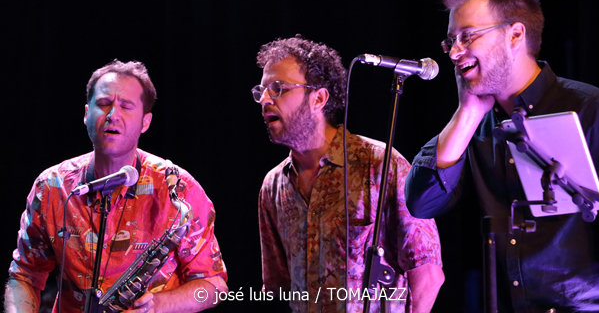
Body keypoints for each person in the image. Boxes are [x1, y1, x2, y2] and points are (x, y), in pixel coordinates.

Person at [405, 0, 599, 312]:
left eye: (468, 36)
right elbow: (421, 203)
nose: (454, 53)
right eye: (450, 41)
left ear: (515, 34)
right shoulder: (475, 124)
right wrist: (466, 113)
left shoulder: (588, 108)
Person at [5, 60, 227, 313]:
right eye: (103, 104)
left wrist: (159, 304)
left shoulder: (179, 188)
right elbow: (24, 275)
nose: (112, 115)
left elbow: (214, 286)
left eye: (126, 106)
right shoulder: (52, 186)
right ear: (86, 114)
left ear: (145, 122)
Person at [253, 35, 444, 313]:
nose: (264, 99)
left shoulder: (380, 164)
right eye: (261, 91)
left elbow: (428, 276)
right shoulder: (273, 186)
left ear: (318, 98)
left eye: (278, 88)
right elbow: (276, 288)